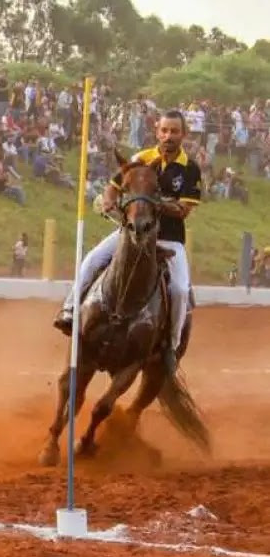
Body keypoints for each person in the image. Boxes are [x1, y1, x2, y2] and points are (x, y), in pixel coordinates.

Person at [53, 110, 202, 376]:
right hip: (131, 234)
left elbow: (183, 210)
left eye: (174, 132)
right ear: (157, 132)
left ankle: (171, 346)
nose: (168, 136)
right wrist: (109, 200)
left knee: (179, 289)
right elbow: (114, 184)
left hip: (169, 238)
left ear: (183, 135)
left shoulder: (190, 169)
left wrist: (150, 204)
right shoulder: (140, 159)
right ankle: (70, 309)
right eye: (164, 131)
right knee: (93, 258)